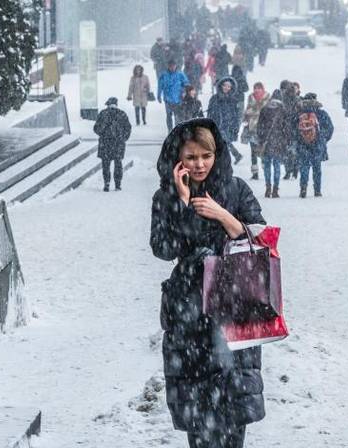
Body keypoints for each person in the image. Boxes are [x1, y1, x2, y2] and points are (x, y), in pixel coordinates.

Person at [150, 119, 267, 448]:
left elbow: (262, 241)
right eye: (191, 157)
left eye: (206, 155)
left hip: (235, 306)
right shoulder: (166, 196)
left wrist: (223, 215)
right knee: (199, 421)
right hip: (189, 313)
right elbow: (163, 249)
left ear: (218, 154)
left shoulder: (236, 190)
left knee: (233, 412)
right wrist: (184, 204)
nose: (199, 164)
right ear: (178, 158)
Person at [293, 93, 334, 198]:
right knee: (317, 167)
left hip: (302, 144)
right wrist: (323, 138)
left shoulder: (298, 114)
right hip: (318, 144)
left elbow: (292, 130)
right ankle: (317, 190)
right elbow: (330, 128)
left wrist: (299, 138)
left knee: (304, 166)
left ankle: (303, 188)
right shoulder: (321, 113)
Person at [93, 97, 132, 192]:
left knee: (106, 164)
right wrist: (123, 138)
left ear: (108, 104)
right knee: (118, 163)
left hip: (105, 143)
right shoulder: (122, 114)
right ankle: (118, 185)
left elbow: (96, 128)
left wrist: (102, 134)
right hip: (118, 143)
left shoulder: (103, 114)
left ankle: (106, 183)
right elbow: (128, 128)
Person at [256, 89, 290, 198]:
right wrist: (286, 141)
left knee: (266, 166)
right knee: (276, 166)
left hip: (266, 142)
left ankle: (268, 188)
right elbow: (286, 128)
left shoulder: (265, 109)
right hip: (278, 142)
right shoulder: (283, 110)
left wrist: (261, 139)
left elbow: (259, 126)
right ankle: (275, 189)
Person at [207, 77, 244, 164]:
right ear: (221, 86)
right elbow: (210, 112)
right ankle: (235, 155)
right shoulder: (214, 98)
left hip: (227, 125)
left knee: (224, 141)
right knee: (221, 142)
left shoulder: (233, 100)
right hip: (216, 123)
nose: (226, 88)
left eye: (229, 86)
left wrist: (235, 126)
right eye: (225, 85)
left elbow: (235, 115)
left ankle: (226, 159)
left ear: (231, 88)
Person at [242, 82, 270, 180]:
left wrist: (253, 111)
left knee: (263, 150)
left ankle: (265, 169)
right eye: (255, 88)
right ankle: (255, 173)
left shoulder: (268, 97)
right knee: (253, 151)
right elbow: (247, 110)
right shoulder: (251, 97)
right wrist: (246, 117)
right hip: (252, 128)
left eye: (259, 88)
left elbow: (266, 111)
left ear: (263, 89)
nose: (257, 90)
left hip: (263, 128)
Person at [158, 60, 190, 131]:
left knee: (178, 116)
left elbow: (186, 83)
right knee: (169, 116)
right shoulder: (164, 75)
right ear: (168, 66)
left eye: (173, 65)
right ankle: (170, 130)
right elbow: (160, 86)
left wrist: (186, 91)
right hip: (167, 99)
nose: (172, 67)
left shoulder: (180, 74)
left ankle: (176, 130)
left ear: (176, 66)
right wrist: (159, 95)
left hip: (178, 100)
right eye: (170, 66)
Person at [279, 80, 300, 181]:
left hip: (285, 129)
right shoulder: (297, 100)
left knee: (286, 151)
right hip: (295, 129)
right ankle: (295, 171)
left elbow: (280, 116)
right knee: (294, 151)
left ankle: (288, 171)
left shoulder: (283, 101)